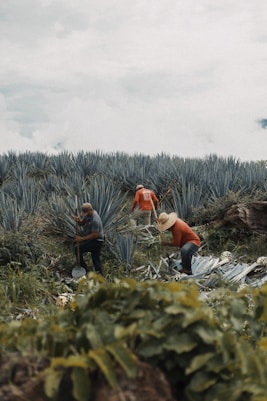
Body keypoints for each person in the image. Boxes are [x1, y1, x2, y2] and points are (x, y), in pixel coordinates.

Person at [74, 202, 104, 275]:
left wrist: (82, 239)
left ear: (90, 210)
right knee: (95, 258)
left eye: (86, 212)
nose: (85, 214)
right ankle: (100, 275)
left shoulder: (95, 220)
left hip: (97, 241)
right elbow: (82, 223)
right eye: (84, 213)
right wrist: (78, 221)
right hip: (94, 240)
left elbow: (95, 235)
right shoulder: (88, 215)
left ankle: (84, 269)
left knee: (77, 248)